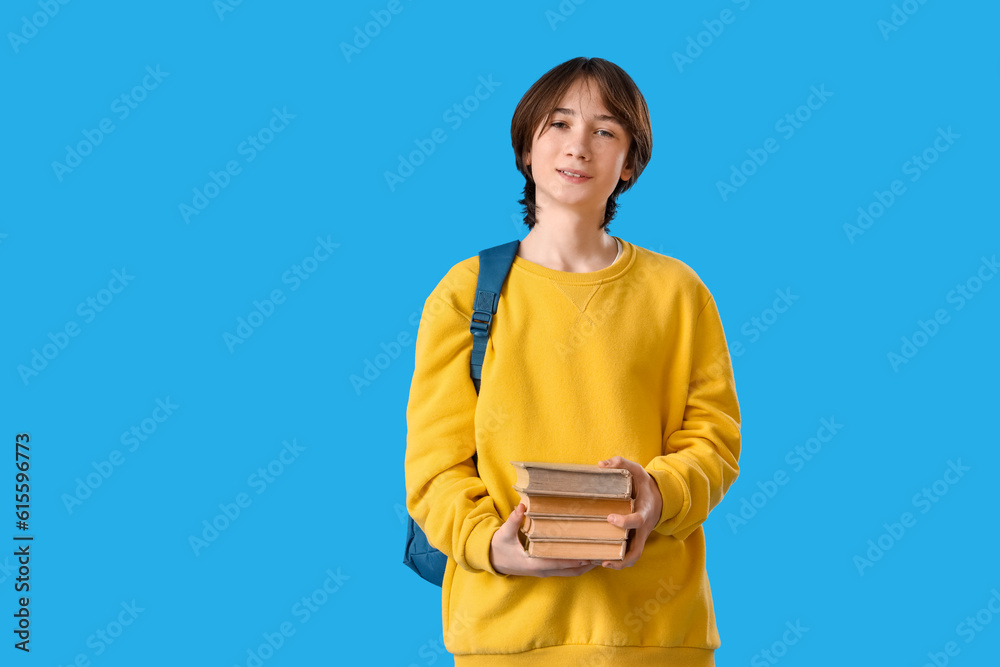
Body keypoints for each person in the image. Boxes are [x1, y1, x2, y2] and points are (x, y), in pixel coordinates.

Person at [404, 56, 741, 666]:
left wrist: (658, 494)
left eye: (605, 130)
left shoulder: (678, 292)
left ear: (630, 165)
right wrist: (492, 545)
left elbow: (714, 442)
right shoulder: (467, 293)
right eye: (558, 125)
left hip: (655, 635)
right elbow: (435, 470)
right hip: (508, 635)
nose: (579, 146)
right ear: (526, 149)